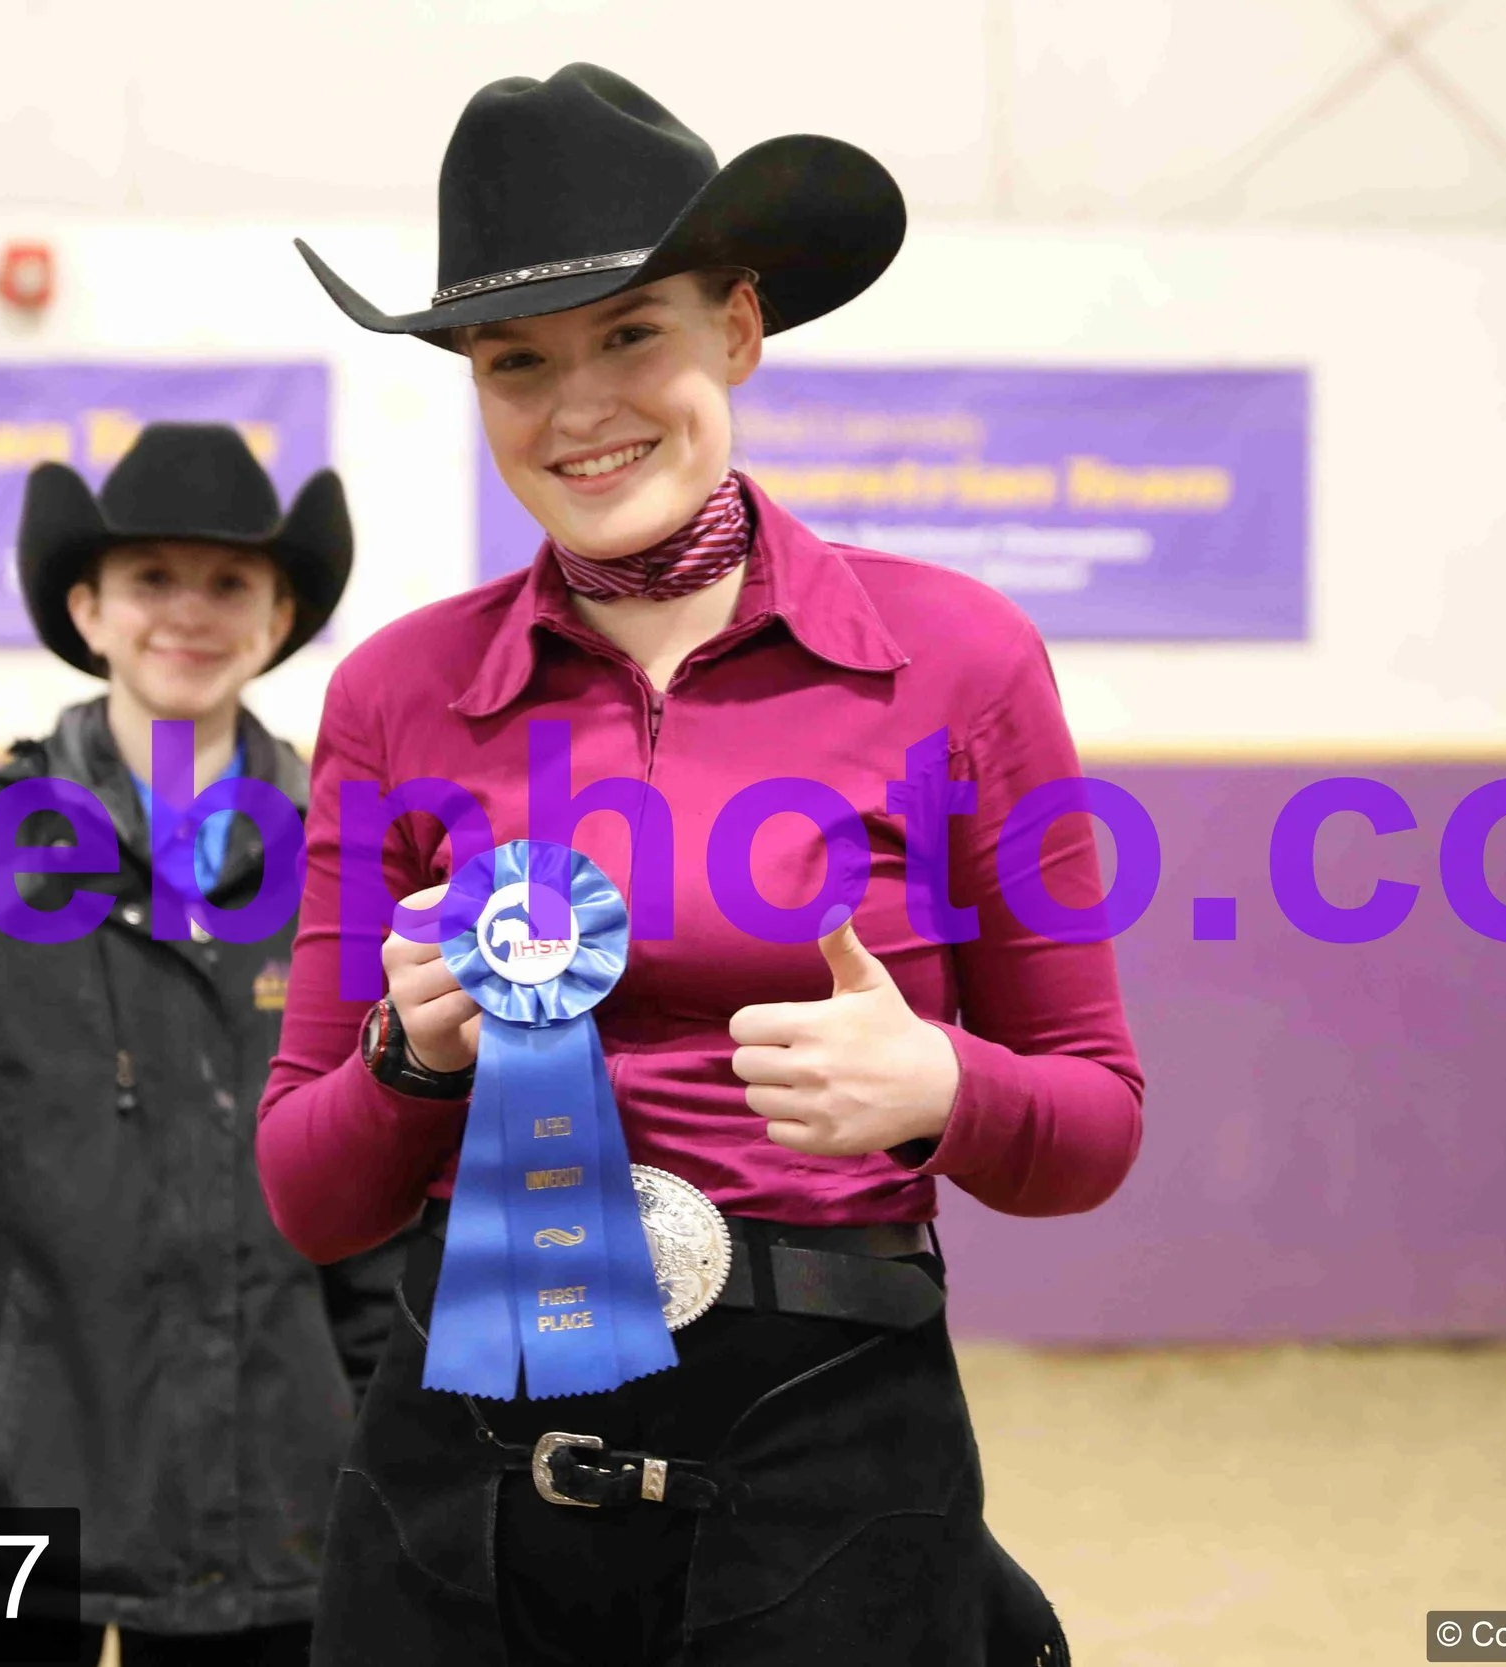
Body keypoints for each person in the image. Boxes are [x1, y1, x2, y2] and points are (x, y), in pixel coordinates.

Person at [263, 65, 1144, 1667]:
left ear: (737, 328)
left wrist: (943, 1085)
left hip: (831, 1452)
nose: (578, 407)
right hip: (467, 1472)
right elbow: (309, 1193)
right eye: (518, 361)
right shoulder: (397, 692)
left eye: (631, 334)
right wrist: (412, 1058)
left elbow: (1093, 1124)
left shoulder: (960, 658)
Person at [0, 423, 413, 1667]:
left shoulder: (347, 868)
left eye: (229, 581)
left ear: (279, 615)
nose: (190, 612)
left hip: (285, 1520)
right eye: (151, 578)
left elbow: (385, 1224)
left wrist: (400, 1493)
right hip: (5, 1521)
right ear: (88, 607)